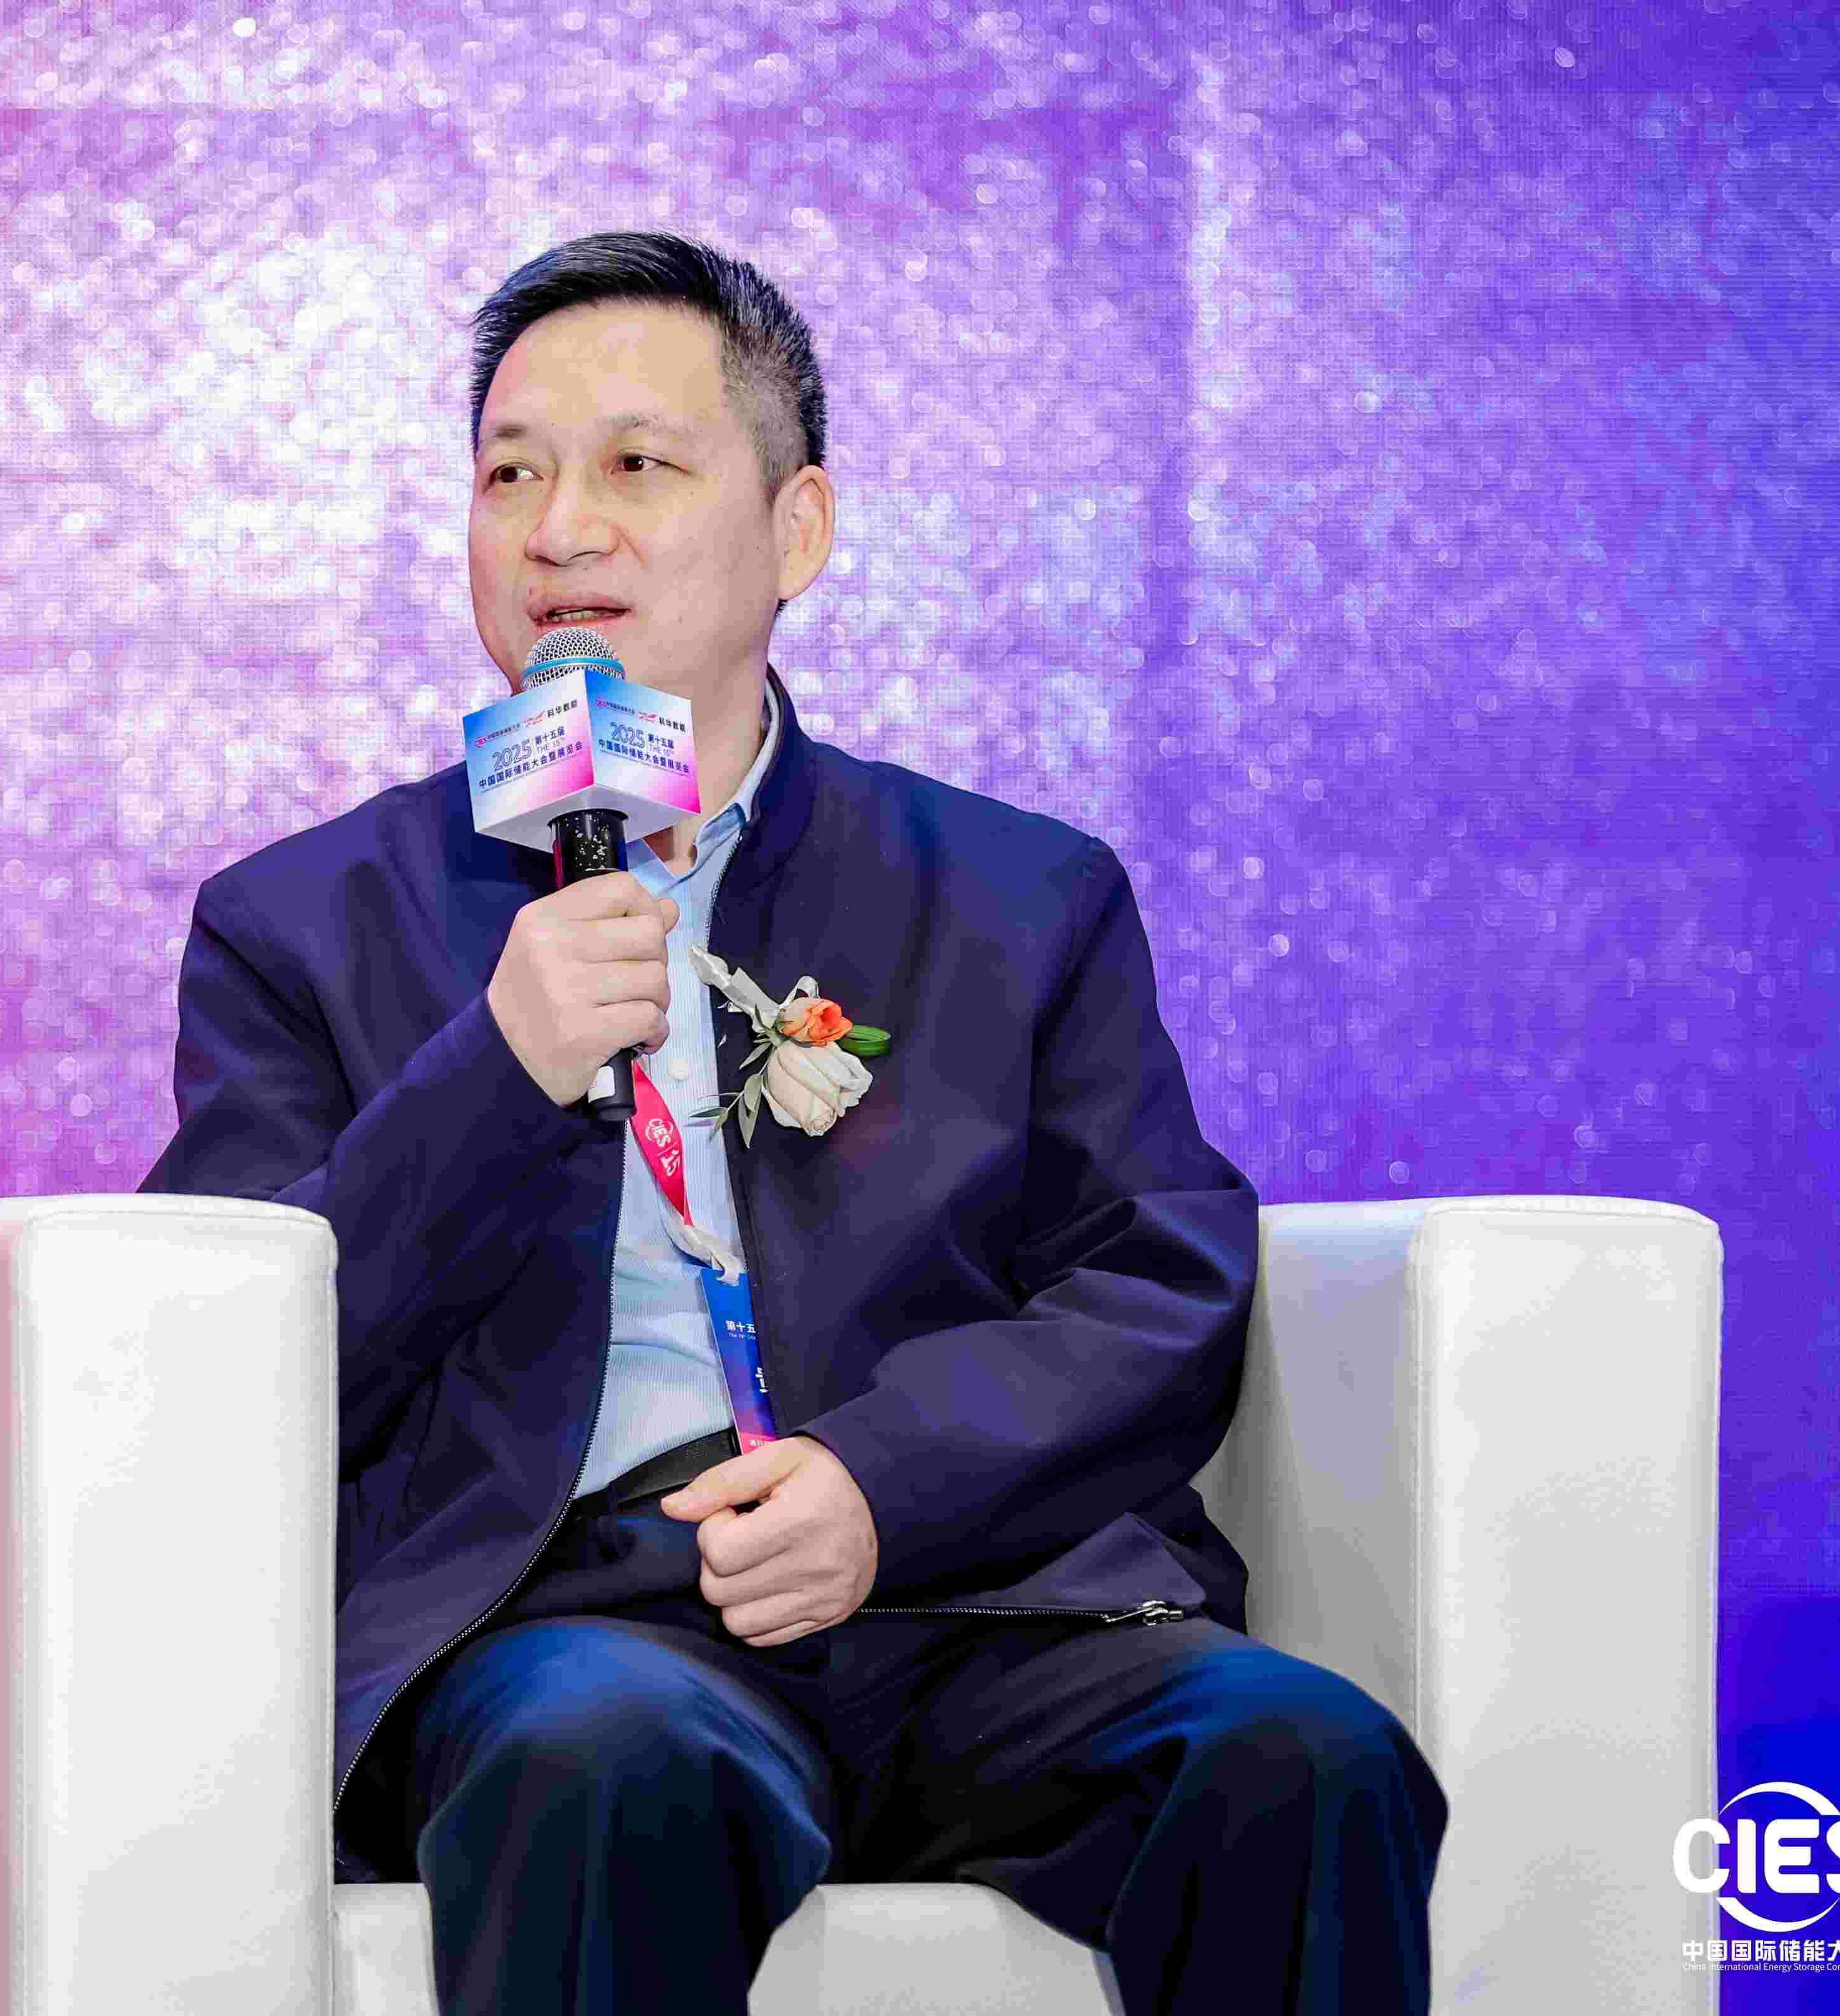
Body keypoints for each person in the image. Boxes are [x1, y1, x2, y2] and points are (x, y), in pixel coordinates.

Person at [139, 230, 1447, 2015]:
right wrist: (492, 1074)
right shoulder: (304, 923)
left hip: (976, 1597)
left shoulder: (1016, 895)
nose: (559, 530)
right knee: (600, 1764)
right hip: (575, 1624)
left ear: (798, 530)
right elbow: (247, 1371)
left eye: (636, 466)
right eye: (510, 476)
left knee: (1301, 1757)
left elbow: (1160, 1283)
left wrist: (885, 1486)